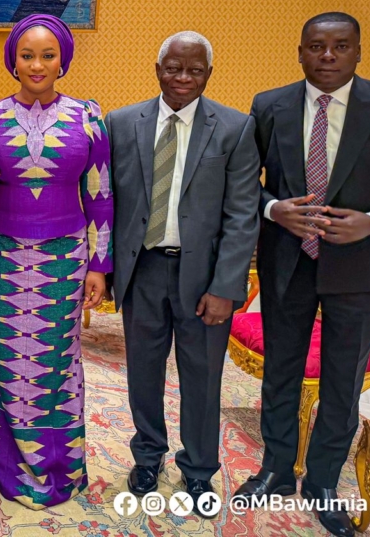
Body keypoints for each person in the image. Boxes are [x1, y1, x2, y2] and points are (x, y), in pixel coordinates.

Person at [234, 13, 370, 537]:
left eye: (340, 46)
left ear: (358, 51)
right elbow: (241, 183)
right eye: (316, 47)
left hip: (360, 268)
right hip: (286, 262)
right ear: (299, 51)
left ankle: (323, 482)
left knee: (342, 381)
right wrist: (274, 208)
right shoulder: (269, 105)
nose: (328, 56)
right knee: (282, 370)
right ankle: (276, 469)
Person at [105, 31, 259, 517]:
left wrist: (226, 287)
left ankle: (198, 470)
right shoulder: (122, 122)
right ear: (158, 69)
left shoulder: (235, 128)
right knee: (143, 373)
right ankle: (147, 457)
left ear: (209, 74)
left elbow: (242, 214)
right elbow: (108, 203)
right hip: (143, 270)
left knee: (202, 376)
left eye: (195, 70)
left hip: (204, 279)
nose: (183, 78)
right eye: (174, 68)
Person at [0, 13, 112, 509]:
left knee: (54, 360)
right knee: (5, 357)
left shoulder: (89, 117)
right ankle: (8, 465)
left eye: (48, 55)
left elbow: (102, 195)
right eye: (27, 55)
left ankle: (57, 466)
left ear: (63, 60)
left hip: (63, 259)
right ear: (13, 60)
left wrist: (99, 264)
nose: (37, 64)